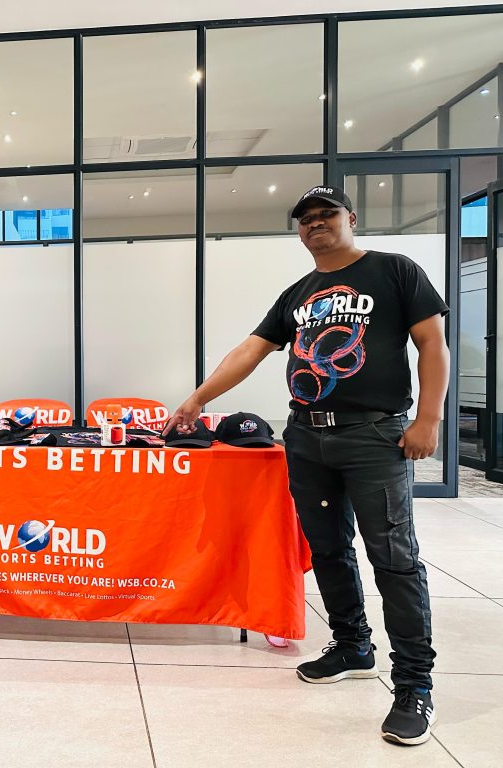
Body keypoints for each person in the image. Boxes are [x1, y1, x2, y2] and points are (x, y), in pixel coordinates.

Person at [165, 184, 448, 746]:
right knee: (327, 548)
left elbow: (432, 344)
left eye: (326, 214)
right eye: (306, 219)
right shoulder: (298, 293)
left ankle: (415, 684)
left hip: (374, 436)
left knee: (394, 559)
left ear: (351, 218)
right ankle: (353, 646)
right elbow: (250, 350)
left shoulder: (395, 270)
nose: (315, 223)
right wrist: (197, 399)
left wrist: (429, 419)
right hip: (307, 436)